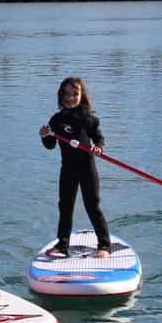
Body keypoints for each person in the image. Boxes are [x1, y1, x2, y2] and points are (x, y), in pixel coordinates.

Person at [39, 77, 111, 258]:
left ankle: (104, 245)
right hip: (68, 169)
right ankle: (63, 245)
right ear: (60, 95)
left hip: (87, 168)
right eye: (67, 94)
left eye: (75, 94)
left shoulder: (89, 119)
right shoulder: (56, 120)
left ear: (82, 95)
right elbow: (50, 145)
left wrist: (99, 148)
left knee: (92, 206)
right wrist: (45, 136)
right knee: (65, 206)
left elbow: (99, 139)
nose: (70, 97)